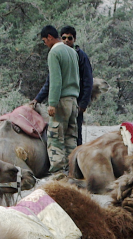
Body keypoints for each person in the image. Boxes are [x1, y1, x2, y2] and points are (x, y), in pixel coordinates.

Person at [34, 26, 93, 145]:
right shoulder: (65, 54)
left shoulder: (78, 56)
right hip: (71, 102)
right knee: (70, 136)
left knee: (70, 136)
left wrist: (83, 103)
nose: (66, 40)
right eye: (64, 37)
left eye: (69, 38)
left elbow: (88, 81)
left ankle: (68, 162)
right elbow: (50, 80)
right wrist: (37, 99)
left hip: (74, 102)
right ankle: (69, 161)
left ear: (74, 39)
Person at [39, 25, 80, 174]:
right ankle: (72, 170)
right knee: (71, 137)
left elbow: (55, 81)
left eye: (44, 41)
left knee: (55, 137)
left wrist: (52, 103)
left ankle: (57, 173)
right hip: (73, 100)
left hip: (61, 100)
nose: (45, 44)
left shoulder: (54, 52)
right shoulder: (72, 52)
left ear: (49, 37)